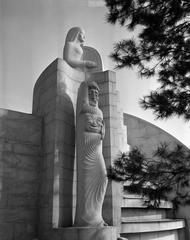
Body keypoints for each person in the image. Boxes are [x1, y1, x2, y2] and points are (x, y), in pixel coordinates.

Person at [75, 80, 108, 227]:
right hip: (86, 152)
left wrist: (99, 128)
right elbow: (85, 127)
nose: (94, 96)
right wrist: (96, 127)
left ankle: (97, 217)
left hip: (97, 150)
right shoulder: (83, 109)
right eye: (91, 93)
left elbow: (100, 129)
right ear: (86, 95)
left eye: (97, 93)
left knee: (103, 178)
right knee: (86, 184)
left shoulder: (99, 112)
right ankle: (86, 219)